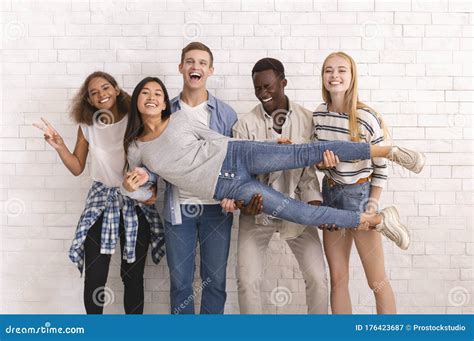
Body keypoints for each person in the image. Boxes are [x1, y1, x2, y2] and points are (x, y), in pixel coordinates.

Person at [121, 77, 425, 253]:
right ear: (137, 101)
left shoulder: (180, 118)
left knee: (308, 152)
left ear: (164, 103)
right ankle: (377, 221)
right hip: (229, 187)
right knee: (300, 212)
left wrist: (268, 146)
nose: (152, 97)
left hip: (237, 154)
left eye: (157, 93)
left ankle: (388, 151)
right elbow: (147, 191)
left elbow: (215, 138)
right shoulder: (136, 147)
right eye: (145, 93)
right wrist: (129, 187)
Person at [33, 72, 165, 314]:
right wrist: (60, 145)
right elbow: (77, 167)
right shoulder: (87, 127)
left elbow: (152, 156)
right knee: (95, 277)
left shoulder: (134, 119)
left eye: (105, 88)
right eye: (94, 93)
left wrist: (151, 186)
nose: (101, 94)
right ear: (90, 101)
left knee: (132, 276)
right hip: (101, 200)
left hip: (135, 201)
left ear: (116, 90)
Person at [232, 58, 328, 314]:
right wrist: (244, 203)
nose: (263, 93)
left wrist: (315, 204)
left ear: (283, 83)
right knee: (247, 280)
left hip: (296, 207)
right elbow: (238, 175)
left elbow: (309, 171)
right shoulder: (243, 126)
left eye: (268, 86)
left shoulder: (308, 119)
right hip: (257, 210)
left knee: (318, 278)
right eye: (257, 88)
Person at [314, 52, 407, 314]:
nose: (335, 76)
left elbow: (382, 166)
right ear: (322, 77)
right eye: (328, 70)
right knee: (338, 279)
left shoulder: (366, 117)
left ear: (352, 76)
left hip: (360, 198)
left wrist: (372, 204)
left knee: (376, 281)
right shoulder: (319, 115)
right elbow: (315, 161)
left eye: (341, 70)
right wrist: (323, 165)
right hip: (331, 196)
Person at [160, 42, 240, 314]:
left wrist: (233, 193)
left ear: (210, 70)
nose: (196, 67)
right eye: (190, 61)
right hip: (178, 209)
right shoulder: (165, 113)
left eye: (202, 62)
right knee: (180, 282)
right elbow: (152, 153)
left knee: (215, 282)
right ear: (181, 67)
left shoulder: (225, 113)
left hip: (217, 209)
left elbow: (235, 159)